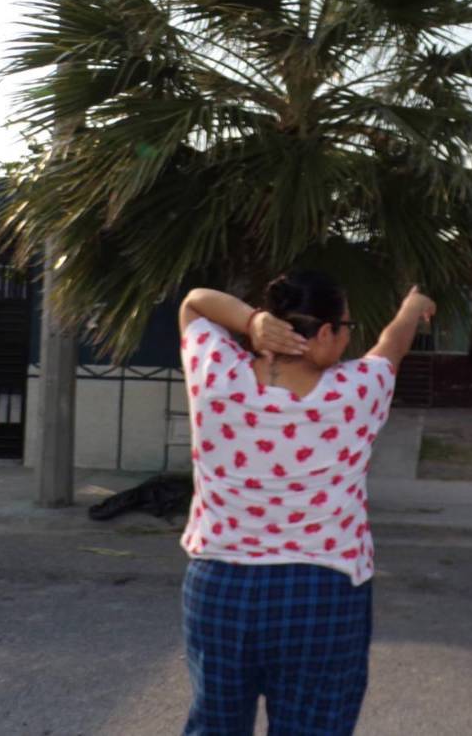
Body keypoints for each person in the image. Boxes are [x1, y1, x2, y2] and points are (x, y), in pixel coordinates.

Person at [176, 272, 436, 736]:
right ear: (323, 334)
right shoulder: (356, 392)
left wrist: (250, 321)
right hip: (321, 590)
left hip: (219, 587)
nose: (350, 337)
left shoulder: (215, 374)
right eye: (346, 326)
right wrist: (412, 308)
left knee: (215, 725)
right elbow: (391, 345)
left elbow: (194, 305)